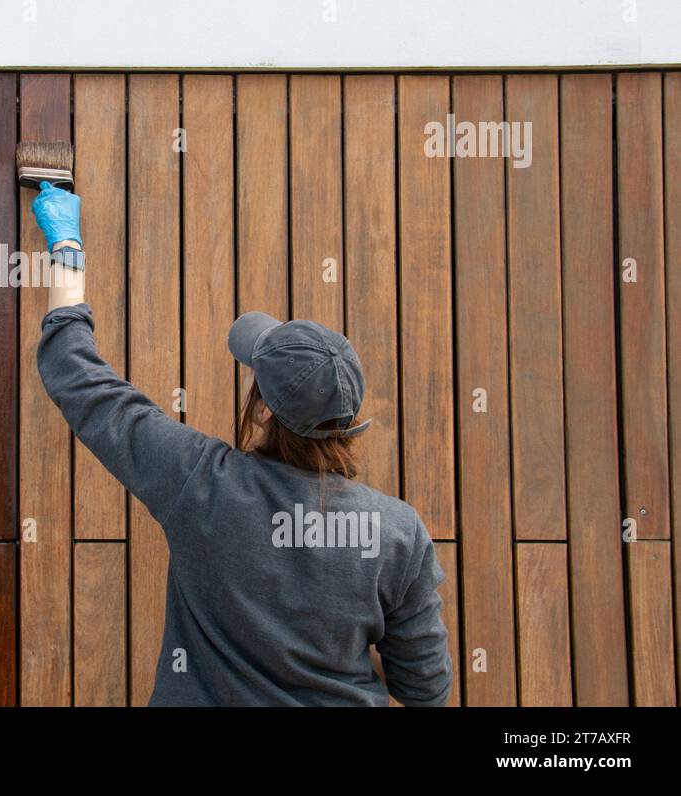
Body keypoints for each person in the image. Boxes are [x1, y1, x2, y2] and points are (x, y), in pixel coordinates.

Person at [31, 181, 453, 706]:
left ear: (265, 409)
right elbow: (425, 690)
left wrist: (65, 246)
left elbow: (77, 376)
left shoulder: (201, 483)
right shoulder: (397, 534)